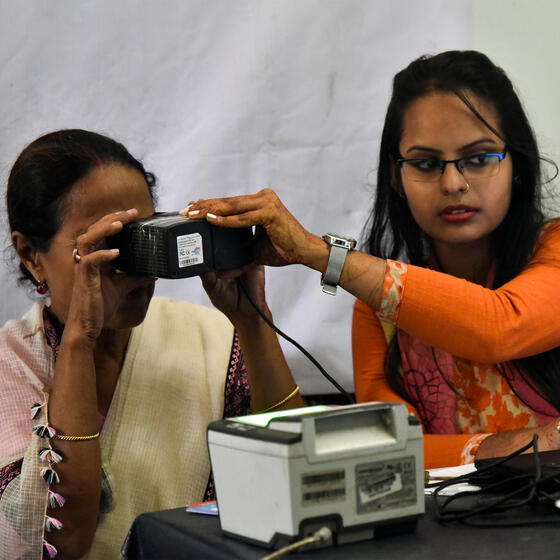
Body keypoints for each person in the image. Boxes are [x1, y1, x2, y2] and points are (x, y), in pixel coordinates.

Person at [186, 50, 560, 470]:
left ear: (519, 166)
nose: (454, 183)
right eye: (426, 163)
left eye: (478, 158)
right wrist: (523, 445)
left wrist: (319, 254)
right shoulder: (379, 310)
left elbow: (498, 325)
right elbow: (392, 450)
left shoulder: (555, 248)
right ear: (396, 177)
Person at [0, 129, 303, 559]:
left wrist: (253, 324)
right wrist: (80, 343)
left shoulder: (207, 340)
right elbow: (59, 543)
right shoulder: (11, 368)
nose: (137, 269)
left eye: (142, 236)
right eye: (109, 245)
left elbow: (296, 485)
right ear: (31, 255)